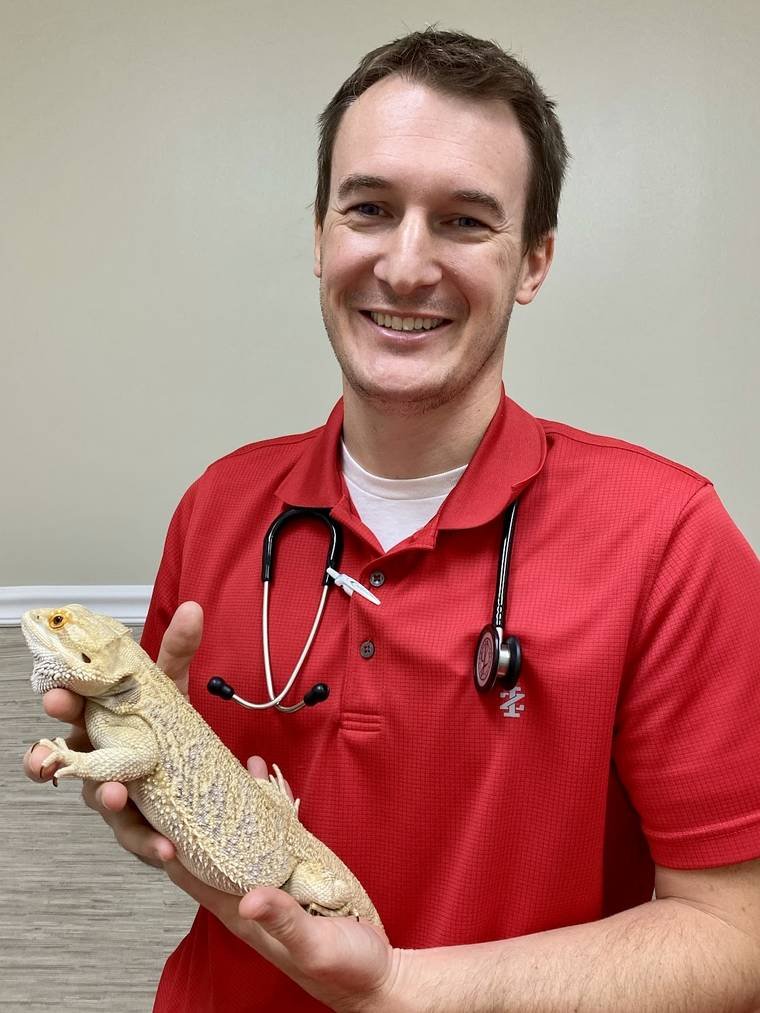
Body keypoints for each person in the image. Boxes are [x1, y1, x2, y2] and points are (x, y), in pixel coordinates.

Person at [24, 28, 760, 1012]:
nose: (405, 265)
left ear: (534, 261)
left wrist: (400, 990)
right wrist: (142, 799)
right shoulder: (218, 505)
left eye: (463, 221)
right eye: (369, 209)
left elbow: (736, 939)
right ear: (321, 235)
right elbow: (199, 820)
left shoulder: (667, 536)